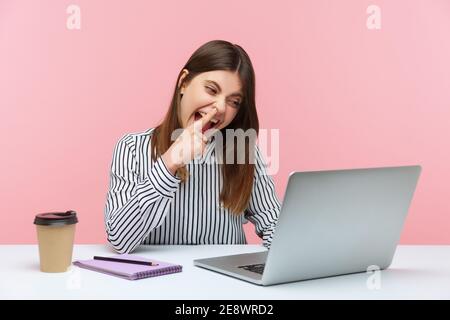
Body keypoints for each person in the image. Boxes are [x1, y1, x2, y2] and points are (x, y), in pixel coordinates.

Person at [104, 40, 280, 254]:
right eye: (211, 90)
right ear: (184, 82)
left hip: (226, 285)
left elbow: (273, 224)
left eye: (233, 101)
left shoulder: (241, 151)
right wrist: (169, 163)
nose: (221, 108)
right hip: (156, 282)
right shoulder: (131, 148)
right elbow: (119, 239)